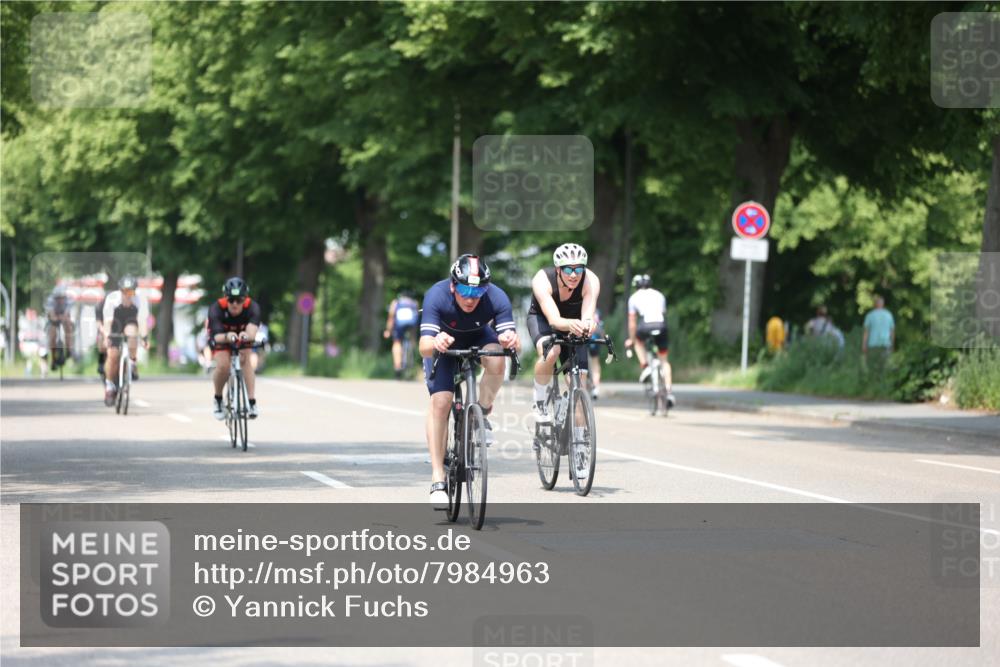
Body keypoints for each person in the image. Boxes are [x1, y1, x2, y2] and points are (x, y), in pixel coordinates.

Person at [420, 254, 519, 509]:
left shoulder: (497, 297)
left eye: (478, 291)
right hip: (443, 345)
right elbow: (423, 346)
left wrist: (511, 340)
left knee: (498, 358)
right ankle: (437, 478)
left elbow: (511, 338)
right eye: (464, 289)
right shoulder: (437, 295)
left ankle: (481, 414)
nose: (470, 297)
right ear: (453, 285)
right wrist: (436, 342)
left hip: (477, 336)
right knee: (441, 402)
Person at [527, 243, 600, 423]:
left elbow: (588, 316)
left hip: (574, 323)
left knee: (579, 382)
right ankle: (540, 398)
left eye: (579, 269)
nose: (574, 275)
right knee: (552, 352)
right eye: (568, 269)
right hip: (544, 320)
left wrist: (589, 325)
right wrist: (577, 324)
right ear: (558, 269)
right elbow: (554, 320)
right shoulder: (542, 279)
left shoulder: (591, 280)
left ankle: (580, 441)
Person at [208, 277, 262, 420]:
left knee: (245, 360)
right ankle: (218, 399)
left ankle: (251, 402)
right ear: (225, 298)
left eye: (239, 300)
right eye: (231, 300)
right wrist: (228, 336)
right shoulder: (216, 308)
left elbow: (252, 331)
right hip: (222, 338)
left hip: (242, 338)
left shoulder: (253, 307)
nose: (235, 304)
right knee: (223, 365)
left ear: (245, 299)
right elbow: (216, 337)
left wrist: (247, 335)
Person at [626, 273, 675, 407]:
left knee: (637, 340)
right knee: (664, 360)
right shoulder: (659, 295)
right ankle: (669, 391)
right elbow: (662, 313)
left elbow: (632, 323)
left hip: (646, 326)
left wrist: (631, 339)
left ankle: (645, 366)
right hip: (661, 325)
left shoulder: (633, 298)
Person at [102, 276, 150, 406]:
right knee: (112, 355)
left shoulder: (140, 299)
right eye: (125, 292)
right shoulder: (112, 299)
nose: (128, 295)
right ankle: (110, 385)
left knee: (132, 334)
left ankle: (132, 361)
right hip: (115, 321)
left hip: (131, 320)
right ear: (120, 291)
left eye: (131, 292)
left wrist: (145, 338)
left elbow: (142, 321)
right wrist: (107, 337)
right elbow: (108, 322)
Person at [384, 290, 420, 379]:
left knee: (397, 342)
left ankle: (397, 367)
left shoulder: (396, 302)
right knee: (412, 340)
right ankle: (412, 359)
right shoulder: (414, 303)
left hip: (399, 325)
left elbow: (391, 317)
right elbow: (417, 317)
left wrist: (388, 330)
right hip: (412, 325)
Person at [44, 285, 75, 370]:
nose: (60, 300)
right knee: (52, 334)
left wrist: (64, 318)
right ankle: (53, 358)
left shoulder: (69, 301)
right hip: (53, 319)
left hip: (63, 317)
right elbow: (52, 315)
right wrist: (56, 318)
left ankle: (68, 349)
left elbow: (67, 315)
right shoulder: (50, 301)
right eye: (57, 298)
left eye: (61, 298)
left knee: (68, 326)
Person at [862, 295, 894, 367]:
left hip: (873, 344)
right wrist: (892, 345)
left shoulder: (870, 315)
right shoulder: (889, 315)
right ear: (883, 304)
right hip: (885, 344)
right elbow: (892, 332)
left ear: (875, 304)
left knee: (873, 366)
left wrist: (864, 345)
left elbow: (866, 332)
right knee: (884, 366)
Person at [18, 308, 48, 378]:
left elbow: (42, 335)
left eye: (32, 314)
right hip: (28, 344)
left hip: (38, 344)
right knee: (30, 358)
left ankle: (43, 371)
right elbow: (21, 335)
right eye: (29, 314)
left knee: (41, 357)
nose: (31, 316)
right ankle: (29, 371)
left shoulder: (39, 322)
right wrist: (21, 343)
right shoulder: (24, 323)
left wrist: (40, 344)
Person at [586, 308, 606, 399]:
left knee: (581, 360)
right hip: (596, 335)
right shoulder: (597, 311)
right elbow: (601, 326)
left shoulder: (579, 306)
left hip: (585, 335)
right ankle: (596, 388)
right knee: (595, 362)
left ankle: (585, 386)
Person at [94, 293, 107, 379]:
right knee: (101, 338)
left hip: (117, 327)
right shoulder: (99, 306)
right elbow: (98, 323)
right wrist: (104, 331)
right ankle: (101, 361)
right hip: (104, 327)